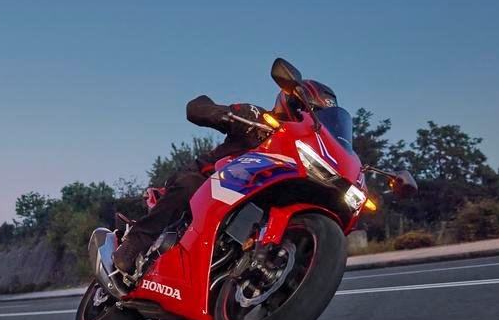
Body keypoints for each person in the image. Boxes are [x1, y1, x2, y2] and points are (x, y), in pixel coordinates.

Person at [112, 76, 338, 274]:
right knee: (190, 185)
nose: (310, 119)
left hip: (251, 198)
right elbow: (195, 108)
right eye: (307, 110)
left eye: (318, 116)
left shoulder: (303, 149)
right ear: (292, 102)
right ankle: (136, 242)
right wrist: (221, 114)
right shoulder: (257, 118)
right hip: (211, 179)